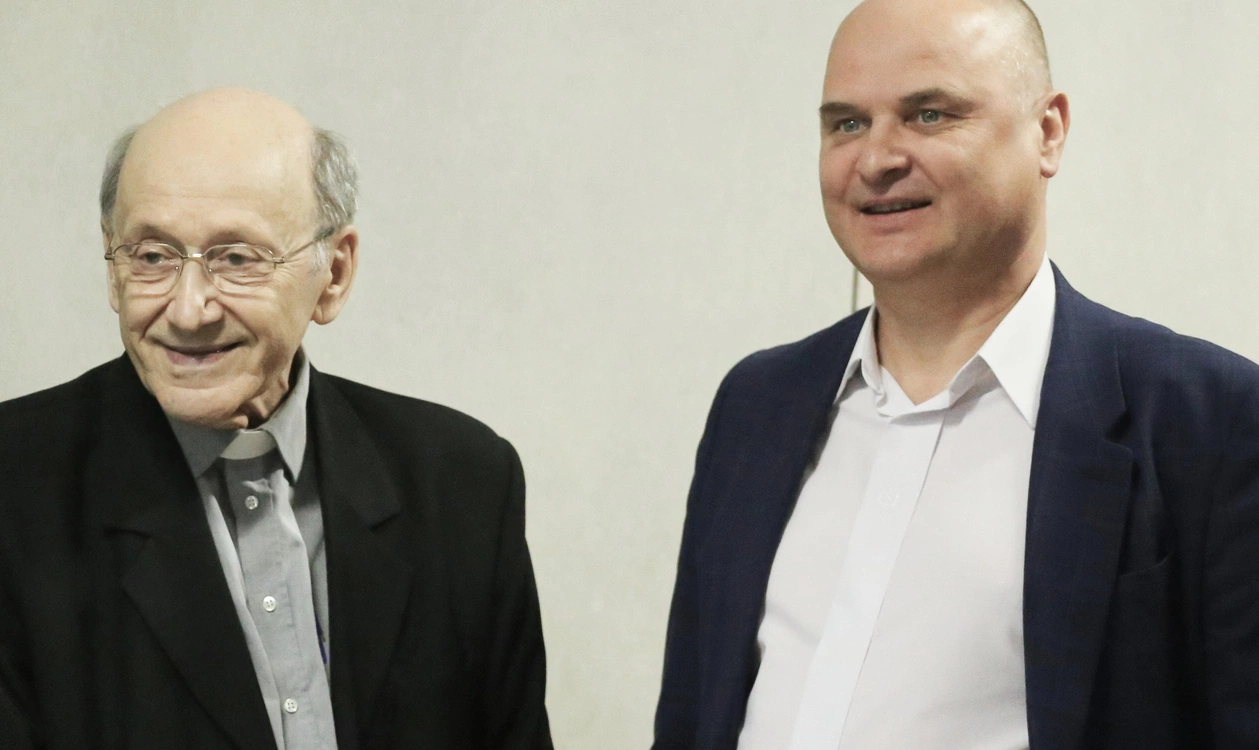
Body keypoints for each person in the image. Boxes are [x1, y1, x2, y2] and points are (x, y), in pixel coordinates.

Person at [652, 0, 1259, 748]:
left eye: (929, 115)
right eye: (847, 123)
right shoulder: (755, 405)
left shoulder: (1211, 421)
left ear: (1048, 131)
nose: (876, 159)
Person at [0, 88, 552, 750]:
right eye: (152, 256)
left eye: (237, 258)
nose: (188, 309)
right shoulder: (15, 488)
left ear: (334, 273)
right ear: (113, 267)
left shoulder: (462, 484)